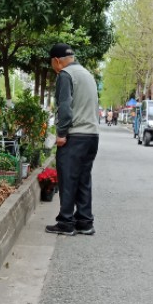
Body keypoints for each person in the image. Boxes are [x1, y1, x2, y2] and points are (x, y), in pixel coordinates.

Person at [45, 43, 100, 236]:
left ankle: (66, 222)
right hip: (92, 135)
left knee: (67, 178)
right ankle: (85, 222)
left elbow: (65, 108)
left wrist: (61, 134)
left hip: (75, 136)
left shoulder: (66, 75)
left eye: (52, 64)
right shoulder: (87, 74)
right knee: (84, 179)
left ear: (57, 61)